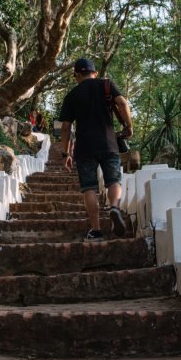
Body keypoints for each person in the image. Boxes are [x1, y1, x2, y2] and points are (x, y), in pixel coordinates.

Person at [57, 57, 133, 241]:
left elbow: (65, 127)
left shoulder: (72, 95)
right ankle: (114, 207)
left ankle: (96, 230)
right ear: (95, 73)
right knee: (114, 181)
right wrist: (128, 126)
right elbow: (122, 103)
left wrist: (66, 153)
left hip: (84, 148)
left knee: (89, 188)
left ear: (76, 75)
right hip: (109, 143)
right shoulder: (105, 85)